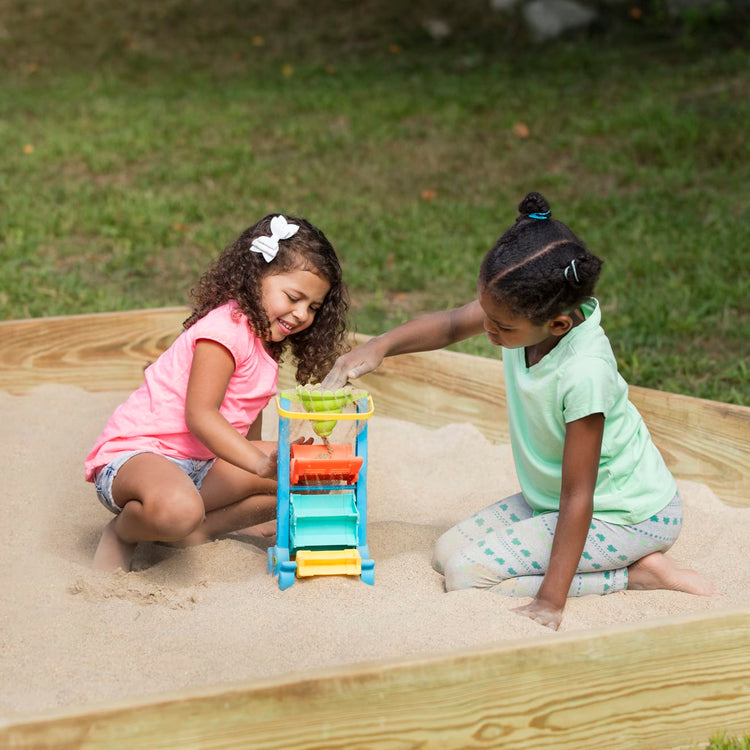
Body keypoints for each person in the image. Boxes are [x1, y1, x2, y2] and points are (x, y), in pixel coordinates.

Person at [322, 192, 715, 630]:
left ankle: (635, 574)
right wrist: (379, 347)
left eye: (500, 326)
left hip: (627, 514)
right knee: (446, 553)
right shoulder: (521, 311)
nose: (486, 329)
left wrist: (550, 600)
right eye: (486, 313)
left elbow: (578, 496)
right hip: (553, 500)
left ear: (559, 325)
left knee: (467, 575)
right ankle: (618, 569)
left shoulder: (584, 373)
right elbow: (453, 323)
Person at [86, 214, 349, 572]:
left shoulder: (265, 344)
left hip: (202, 468)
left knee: (311, 474)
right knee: (180, 509)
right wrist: (257, 464)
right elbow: (201, 415)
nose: (302, 313)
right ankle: (124, 531)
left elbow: (247, 421)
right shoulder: (224, 330)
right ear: (256, 276)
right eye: (293, 297)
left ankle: (190, 532)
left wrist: (261, 467)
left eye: (314, 307)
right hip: (142, 456)